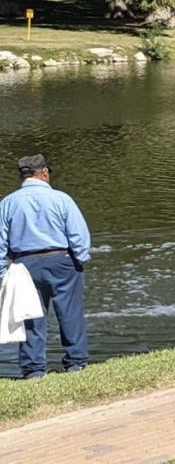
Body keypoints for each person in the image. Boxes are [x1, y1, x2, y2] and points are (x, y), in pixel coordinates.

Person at [0, 155, 91, 378]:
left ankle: (33, 370)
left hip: (23, 264)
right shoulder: (62, 199)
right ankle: (76, 363)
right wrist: (79, 259)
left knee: (30, 316)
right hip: (61, 259)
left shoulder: (8, 203)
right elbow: (79, 236)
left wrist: (3, 272)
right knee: (70, 314)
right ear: (44, 173)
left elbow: (0, 242)